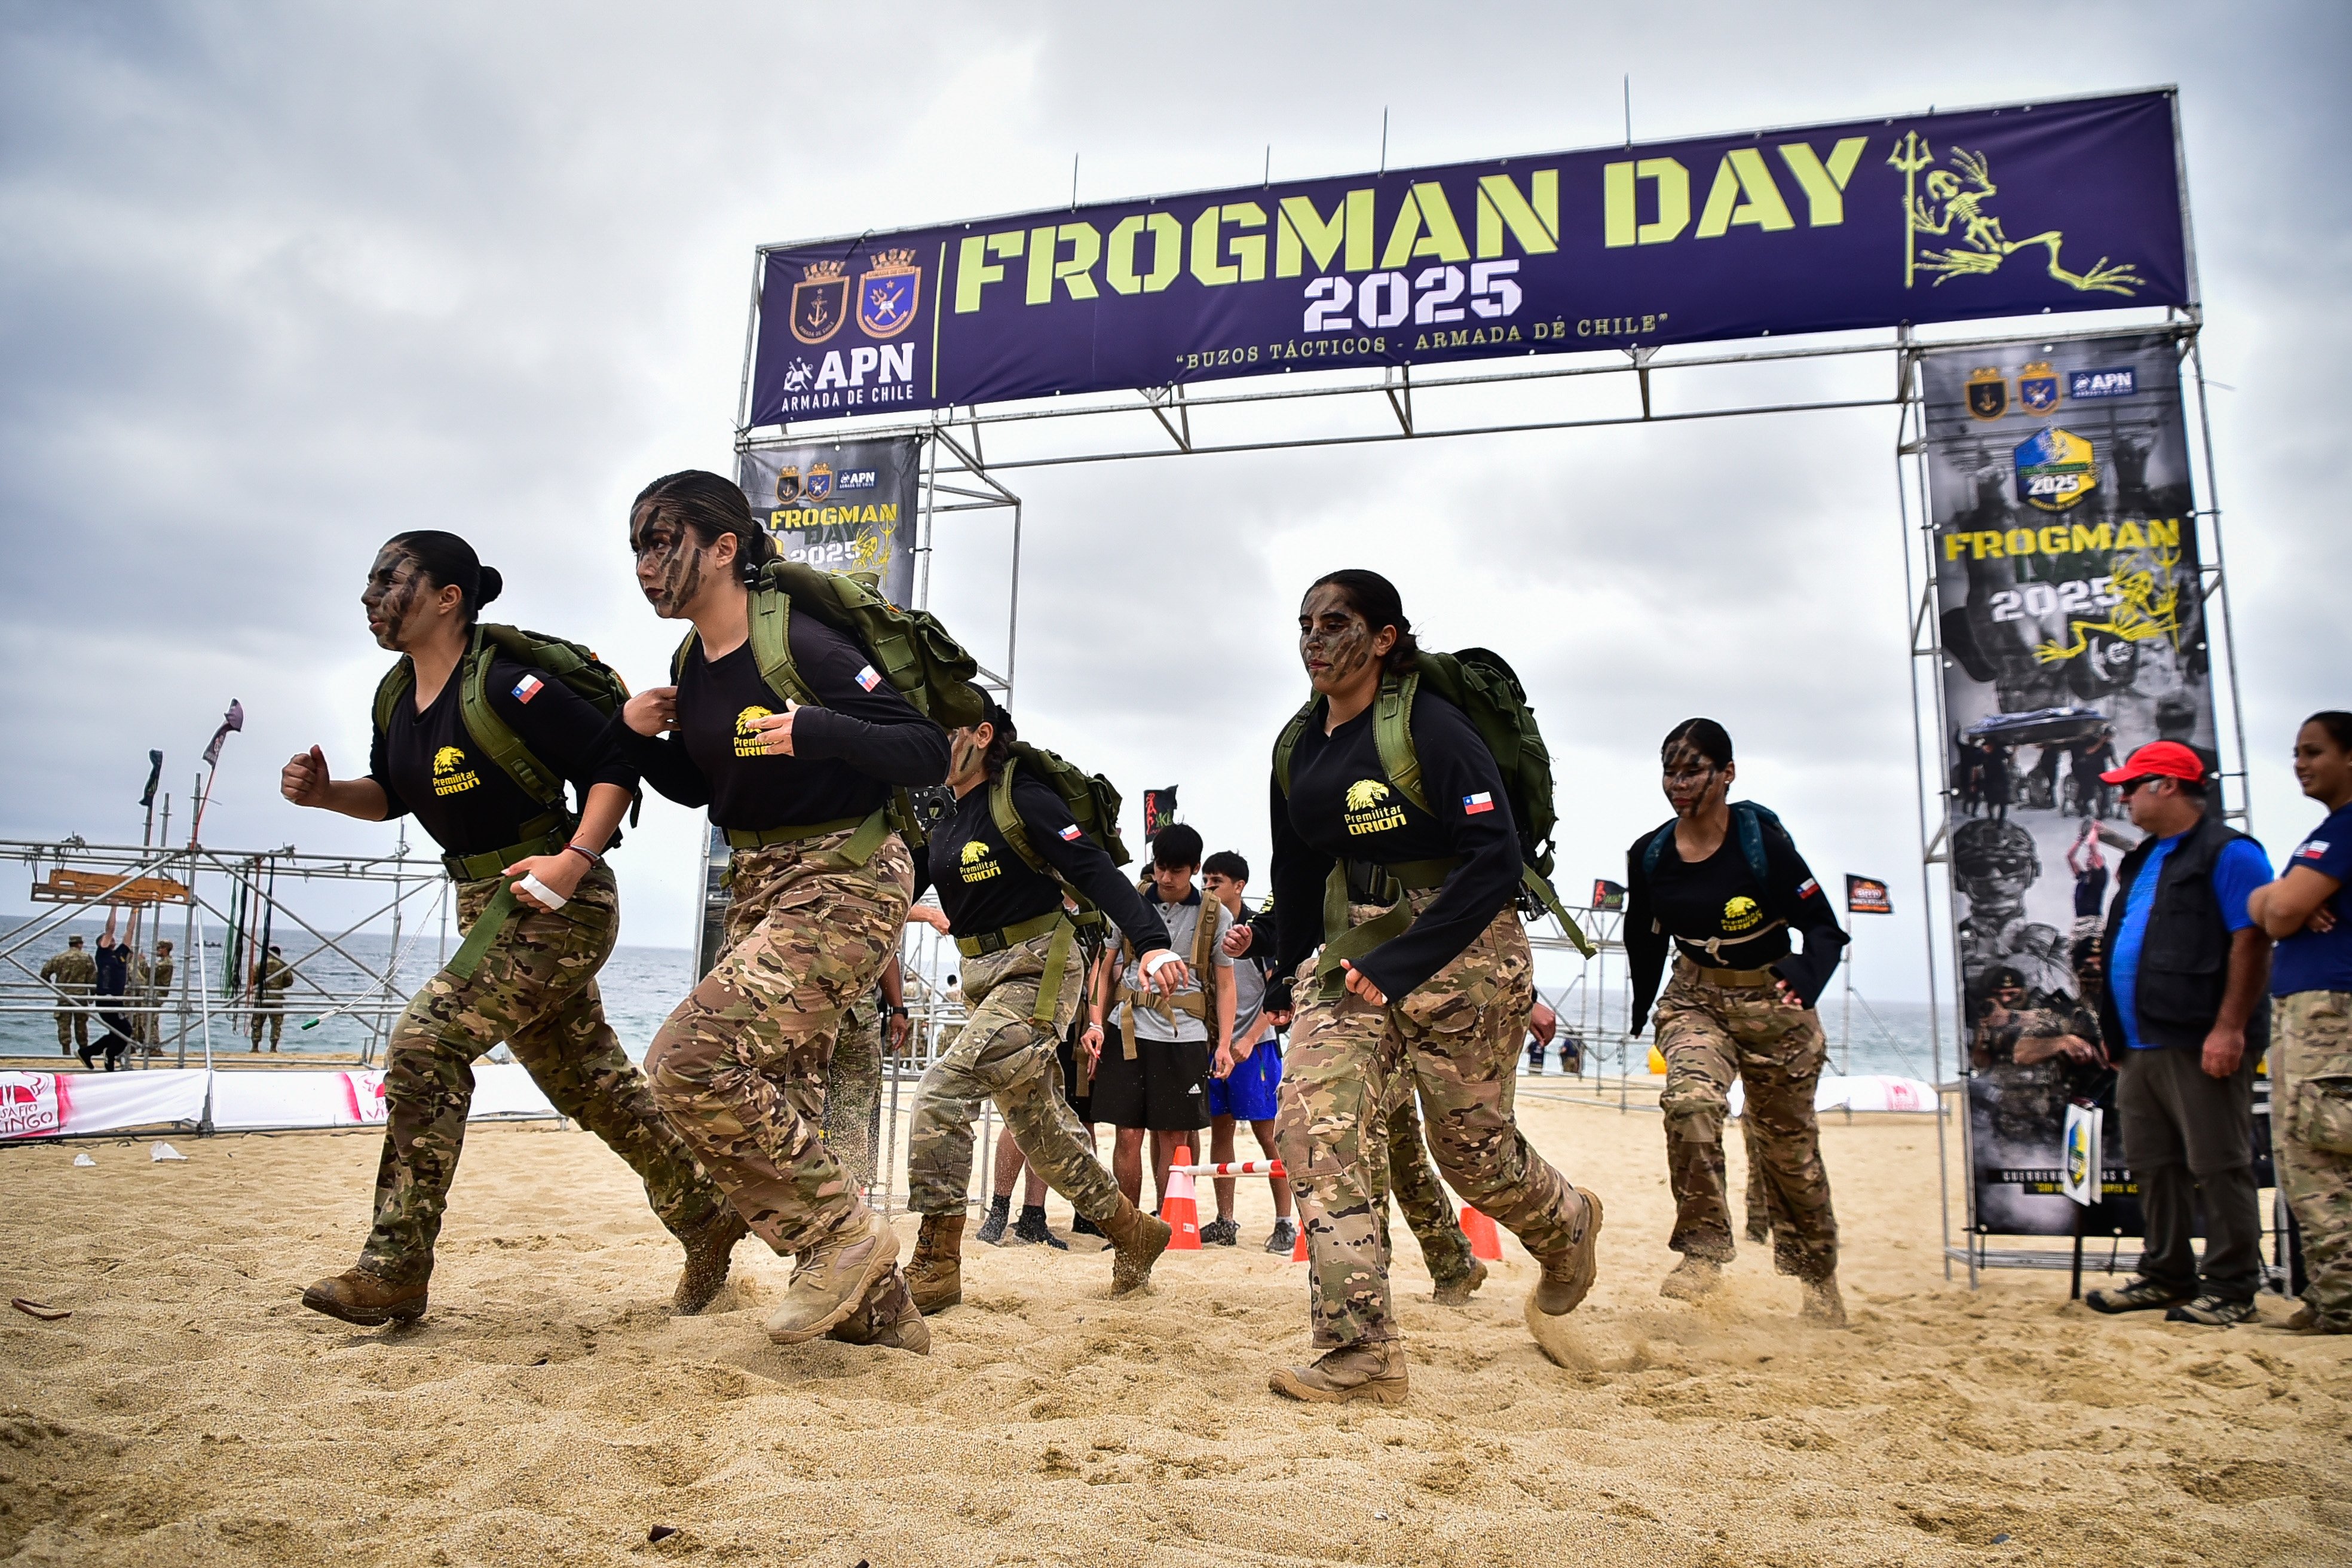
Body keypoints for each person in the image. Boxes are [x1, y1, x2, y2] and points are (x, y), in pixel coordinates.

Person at [282, 529, 742, 1328]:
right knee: (589, 1085)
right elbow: (390, 795)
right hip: (486, 905)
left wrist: (573, 860)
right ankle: (705, 1213)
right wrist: (328, 795)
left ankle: (394, 1268)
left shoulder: (507, 682)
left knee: (426, 1042)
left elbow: (613, 760)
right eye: (370, 580)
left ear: (447, 597)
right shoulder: (395, 695)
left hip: (557, 902)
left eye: (389, 579)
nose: (369, 595)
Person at [618, 470, 948, 1354]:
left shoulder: (801, 641)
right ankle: (882, 1319)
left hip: (846, 875)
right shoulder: (692, 663)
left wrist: (820, 728)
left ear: (725, 548)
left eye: (663, 543)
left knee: (688, 1060)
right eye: (638, 548)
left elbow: (925, 747)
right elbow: (707, 787)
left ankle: (843, 1237)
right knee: (785, 1112)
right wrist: (635, 738)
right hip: (761, 886)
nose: (646, 564)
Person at [1265, 569, 1601, 1404]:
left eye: (1335, 622)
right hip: (1357, 947)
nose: (1314, 638)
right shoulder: (1298, 745)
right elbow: (1297, 870)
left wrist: (1404, 963)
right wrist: (1281, 968)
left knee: (1473, 1159)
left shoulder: (1431, 725)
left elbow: (1494, 858)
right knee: (1310, 1118)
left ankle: (1568, 1225)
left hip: (1466, 946)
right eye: (1305, 623)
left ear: (1384, 638)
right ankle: (1361, 1352)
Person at [896, 697, 1184, 1314]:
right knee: (1043, 1131)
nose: (934, 742)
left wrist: (1152, 942)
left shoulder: (1021, 797)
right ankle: (1133, 1231)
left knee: (941, 1093)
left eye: (946, 730)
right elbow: (897, 888)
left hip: (1038, 971)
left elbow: (1094, 869)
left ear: (982, 735)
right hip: (981, 978)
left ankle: (938, 1261)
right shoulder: (942, 815)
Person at [1624, 718, 1850, 1324]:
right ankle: (1702, 1249)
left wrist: (1805, 976)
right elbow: (1642, 937)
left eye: (1693, 770)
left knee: (1788, 1154)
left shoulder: (1763, 846)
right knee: (1691, 1101)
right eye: (1670, 771)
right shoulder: (1650, 854)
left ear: (1727, 773)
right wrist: (1643, 1007)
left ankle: (1817, 1280)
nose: (1679, 783)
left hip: (1776, 1007)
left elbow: (1825, 929)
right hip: (1696, 999)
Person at [2084, 740, 2273, 1325]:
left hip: (2199, 1038)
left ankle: (2232, 1287)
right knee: (2154, 1164)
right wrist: (2114, 1030)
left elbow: (2252, 940)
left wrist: (2230, 1028)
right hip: (2139, 1042)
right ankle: (2166, 1274)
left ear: (2167, 785)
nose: (2123, 797)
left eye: (2131, 786)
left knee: (2219, 1163)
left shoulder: (2231, 852)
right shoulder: (2143, 857)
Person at [2247, 712, 2352, 1334]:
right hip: (2306, 1005)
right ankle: (2331, 1295)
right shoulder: (2328, 832)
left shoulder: (2345, 830)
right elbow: (2265, 903)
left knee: (2319, 1150)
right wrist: (2285, 897)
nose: (2300, 764)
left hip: (2332, 1010)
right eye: (2295, 752)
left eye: (2314, 752)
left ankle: (2344, 1302)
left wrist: (2288, 898)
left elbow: (2280, 910)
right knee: (2300, 1151)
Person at [1091, 825, 1232, 1214]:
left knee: (1174, 1136)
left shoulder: (1215, 915)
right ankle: (1129, 1225)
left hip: (1185, 1035)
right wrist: (1096, 1022)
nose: (1166, 878)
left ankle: (1167, 1222)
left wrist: (1223, 1045)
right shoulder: (1129, 901)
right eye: (1160, 867)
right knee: (1128, 1134)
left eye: (1176, 870)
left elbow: (1225, 983)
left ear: (1195, 869)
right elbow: (1102, 969)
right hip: (1128, 1028)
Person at [1199, 850, 1296, 1252]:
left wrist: (1250, 1038)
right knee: (1220, 1130)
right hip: (1216, 1046)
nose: (1208, 888)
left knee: (1268, 1134)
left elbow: (1279, 994)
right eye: (1205, 881)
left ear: (1239, 886)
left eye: (1216, 882)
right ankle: (1226, 1221)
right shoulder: (1206, 929)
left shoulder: (1259, 932)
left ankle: (1285, 1222)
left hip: (1257, 1047)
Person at [823, 956, 906, 1193]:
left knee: (854, 1117)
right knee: (799, 1107)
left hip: (860, 1019)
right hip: (809, 1013)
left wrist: (898, 1010)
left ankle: (849, 1197)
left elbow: (887, 953)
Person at [80, 918, 138, 1071]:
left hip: (116, 1000)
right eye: (107, 939)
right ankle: (109, 1054)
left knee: (118, 1032)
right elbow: (110, 930)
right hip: (106, 998)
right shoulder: (102, 954)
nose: (112, 939)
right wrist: (114, 907)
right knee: (124, 1030)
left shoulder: (120, 954)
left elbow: (130, 932)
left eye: (113, 939)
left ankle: (90, 1052)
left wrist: (134, 911)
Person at [40, 936, 93, 1056]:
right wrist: (93, 995)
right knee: (81, 1025)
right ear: (80, 944)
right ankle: (84, 1051)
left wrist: (52, 985)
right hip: (80, 997)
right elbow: (93, 978)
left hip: (63, 996)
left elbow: (44, 973)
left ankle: (66, 1052)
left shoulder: (59, 958)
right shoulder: (86, 958)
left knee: (64, 1025)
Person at [249, 944, 296, 1051]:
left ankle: (255, 1047)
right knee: (276, 1023)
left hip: (261, 998)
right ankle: (273, 1048)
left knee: (257, 1022)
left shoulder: (260, 964)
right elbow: (289, 982)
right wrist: (278, 985)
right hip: (276, 998)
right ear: (279, 954)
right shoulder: (283, 966)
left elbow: (253, 980)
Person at [2068, 817, 2110, 918]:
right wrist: (2080, 839)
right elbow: (2070, 857)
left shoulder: (2101, 874)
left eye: (2091, 858)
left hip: (2093, 920)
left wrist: (2094, 830)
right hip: (2080, 919)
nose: (2088, 859)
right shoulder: (2083, 875)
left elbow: (2092, 845)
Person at [141, 939, 176, 1052]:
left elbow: (149, 973)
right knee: (152, 1019)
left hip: (157, 994)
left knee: (148, 1020)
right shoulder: (164, 962)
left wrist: (142, 962)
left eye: (159, 948)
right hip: (156, 993)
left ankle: (154, 1047)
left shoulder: (166, 963)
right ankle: (151, 1046)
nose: (157, 951)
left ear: (165, 949)